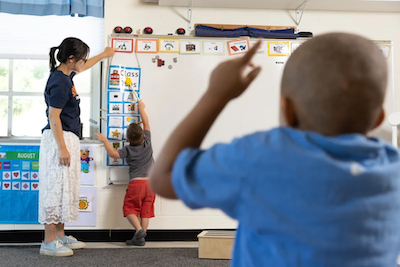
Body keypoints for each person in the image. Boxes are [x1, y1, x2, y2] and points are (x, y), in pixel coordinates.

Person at [149, 33, 400, 267]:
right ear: (378, 118)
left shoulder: (260, 159)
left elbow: (162, 177)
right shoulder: (394, 170)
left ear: (288, 111)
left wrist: (216, 95)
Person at [39, 37, 117, 257]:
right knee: (55, 188)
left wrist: (104, 54)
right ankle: (48, 241)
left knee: (65, 188)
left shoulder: (65, 75)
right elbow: (54, 116)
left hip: (66, 137)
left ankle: (60, 236)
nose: (83, 63)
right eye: (81, 59)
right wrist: (62, 148)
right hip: (58, 139)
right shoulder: (60, 82)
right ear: (71, 59)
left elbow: (85, 67)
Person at [96, 100, 155, 246]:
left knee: (129, 208)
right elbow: (146, 122)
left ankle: (139, 230)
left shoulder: (127, 150)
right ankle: (141, 238)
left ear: (128, 139)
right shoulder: (148, 142)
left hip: (137, 183)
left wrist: (105, 140)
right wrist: (141, 108)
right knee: (145, 210)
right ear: (143, 135)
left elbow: (113, 154)